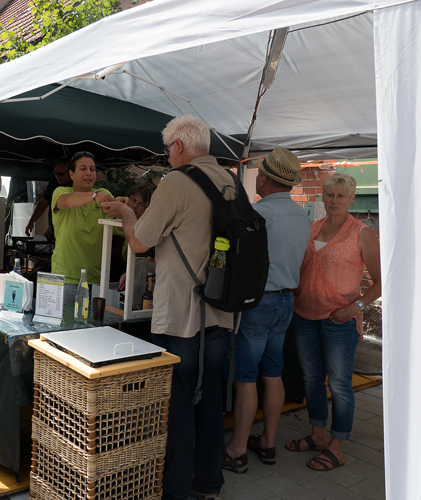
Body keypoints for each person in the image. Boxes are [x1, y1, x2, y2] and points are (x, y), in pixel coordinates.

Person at [102, 115, 236, 500]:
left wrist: (129, 214)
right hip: (221, 312)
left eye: (167, 149)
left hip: (181, 315)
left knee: (176, 404)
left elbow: (140, 243)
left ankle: (175, 490)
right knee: (210, 398)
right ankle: (209, 483)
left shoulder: (176, 182)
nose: (167, 155)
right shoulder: (229, 182)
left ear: (178, 145)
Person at [221, 147, 311, 474]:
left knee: (246, 376)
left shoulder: (259, 214)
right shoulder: (302, 216)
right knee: (273, 373)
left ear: (265, 178)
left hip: (259, 302)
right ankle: (269, 443)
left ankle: (238, 449)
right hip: (286, 300)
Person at [286, 172, 381, 472]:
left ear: (352, 198)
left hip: (338, 320)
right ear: (322, 197)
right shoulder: (313, 227)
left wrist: (356, 308)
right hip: (304, 315)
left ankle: (337, 446)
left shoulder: (361, 232)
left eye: (341, 195)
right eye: (330, 195)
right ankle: (317, 435)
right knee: (312, 379)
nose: (334, 200)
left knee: (340, 385)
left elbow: (381, 281)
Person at [51, 151, 115, 285]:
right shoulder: (61, 192)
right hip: (64, 278)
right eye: (83, 169)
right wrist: (94, 196)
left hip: (96, 280)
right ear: (71, 174)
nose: (89, 173)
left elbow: (117, 221)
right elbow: (66, 201)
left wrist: (122, 204)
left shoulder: (104, 194)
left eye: (92, 169)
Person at [24, 158, 71, 240]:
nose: (57, 177)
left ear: (71, 172)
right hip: (52, 229)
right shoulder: (53, 183)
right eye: (55, 173)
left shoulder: (77, 186)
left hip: (70, 230)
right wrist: (31, 221)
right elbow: (42, 204)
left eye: (61, 174)